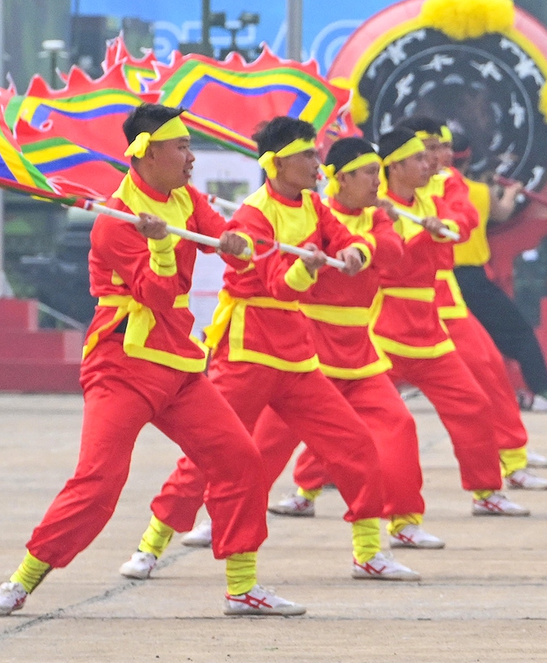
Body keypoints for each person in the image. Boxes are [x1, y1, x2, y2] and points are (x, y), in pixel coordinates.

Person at [0, 106, 301, 619]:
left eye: (190, 147)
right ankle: (22, 581)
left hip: (178, 363)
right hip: (122, 364)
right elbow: (156, 293)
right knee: (99, 481)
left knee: (241, 461)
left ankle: (243, 588)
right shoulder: (114, 221)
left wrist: (238, 244)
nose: (191, 157)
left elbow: (227, 242)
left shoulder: (185, 198)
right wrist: (162, 248)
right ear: (149, 153)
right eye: (181, 148)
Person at [132, 118, 419, 583]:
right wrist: (303, 269)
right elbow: (278, 287)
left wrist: (354, 254)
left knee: (355, 445)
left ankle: (369, 554)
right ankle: (151, 544)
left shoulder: (311, 204)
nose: (316, 164)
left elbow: (342, 238)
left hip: (297, 355)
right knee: (210, 453)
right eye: (308, 156)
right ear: (278, 162)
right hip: (248, 352)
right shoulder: (254, 215)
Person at [260, 135, 449, 553]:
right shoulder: (316, 212)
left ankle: (404, 521)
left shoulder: (378, 216)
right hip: (308, 349)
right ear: (341, 178)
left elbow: (392, 251)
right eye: (368, 174)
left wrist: (360, 250)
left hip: (359, 351)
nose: (376, 183)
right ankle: (221, 516)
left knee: (398, 427)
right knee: (267, 440)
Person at [367, 125, 529, 517]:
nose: (432, 162)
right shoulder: (373, 208)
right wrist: (425, 234)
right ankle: (308, 487)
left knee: (472, 405)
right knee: (354, 411)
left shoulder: (431, 195)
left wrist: (448, 226)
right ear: (393, 167)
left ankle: (487, 491)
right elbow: (394, 256)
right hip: (383, 329)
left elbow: (464, 214)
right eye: (421, 157)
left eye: (433, 153)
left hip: (428, 327)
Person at [409, 118, 546, 491]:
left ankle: (511, 461)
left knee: (487, 370)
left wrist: (443, 224)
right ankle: (318, 474)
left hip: (444, 294)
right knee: (342, 389)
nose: (442, 155)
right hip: (388, 309)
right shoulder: (386, 193)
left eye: (443, 147)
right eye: (431, 148)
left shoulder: (450, 181)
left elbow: (464, 218)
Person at [432, 125, 547, 414]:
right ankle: (541, 391)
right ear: (467, 161)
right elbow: (503, 213)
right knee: (519, 333)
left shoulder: (426, 194)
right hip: (470, 280)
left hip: (435, 280)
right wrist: (512, 192)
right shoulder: (479, 192)